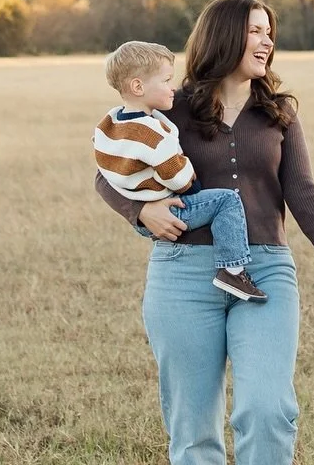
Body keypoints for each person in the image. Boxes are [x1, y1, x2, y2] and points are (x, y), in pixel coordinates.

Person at [96, 0, 314, 465]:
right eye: (256, 31)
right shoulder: (169, 104)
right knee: (193, 434)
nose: (266, 42)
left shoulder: (278, 112)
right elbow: (108, 170)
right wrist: (141, 210)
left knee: (267, 411)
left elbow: (301, 188)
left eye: (270, 32)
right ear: (227, 37)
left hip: (265, 271)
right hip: (182, 276)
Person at [94, 39, 266, 302]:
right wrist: (191, 177)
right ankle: (233, 269)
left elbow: (102, 160)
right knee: (227, 200)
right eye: (165, 81)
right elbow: (178, 177)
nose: (172, 86)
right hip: (171, 209)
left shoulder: (111, 121)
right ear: (138, 86)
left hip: (145, 215)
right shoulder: (152, 135)